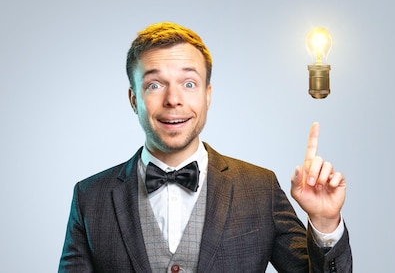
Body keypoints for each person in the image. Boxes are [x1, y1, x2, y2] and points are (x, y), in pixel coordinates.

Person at [59, 22, 352, 272]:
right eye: (154, 85)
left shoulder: (260, 188)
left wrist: (325, 223)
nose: (173, 99)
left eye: (189, 84)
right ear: (134, 99)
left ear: (207, 95)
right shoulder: (90, 197)